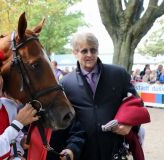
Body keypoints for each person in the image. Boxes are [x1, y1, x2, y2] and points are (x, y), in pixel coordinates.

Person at [48, 32, 148, 160]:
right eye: (84, 51)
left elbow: (137, 104)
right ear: (75, 53)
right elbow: (64, 121)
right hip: (83, 152)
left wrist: (130, 126)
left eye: (93, 50)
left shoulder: (118, 74)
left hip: (114, 149)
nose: (90, 54)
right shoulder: (65, 83)